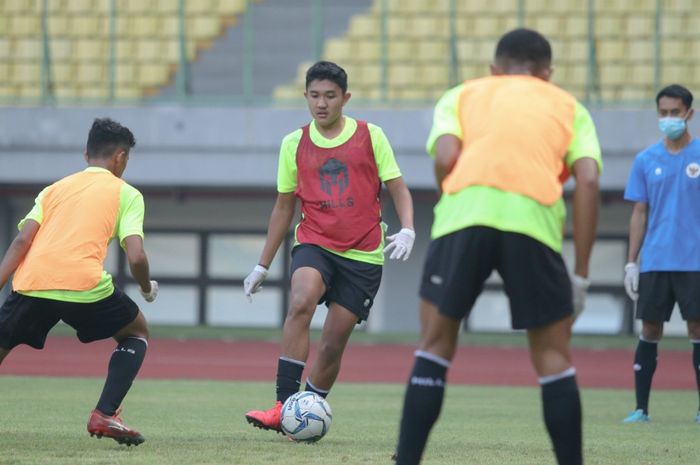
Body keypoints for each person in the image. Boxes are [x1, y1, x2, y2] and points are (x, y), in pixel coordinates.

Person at [393, 28, 602, 465]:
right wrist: (580, 273)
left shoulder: (463, 94)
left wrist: (456, 200)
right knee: (552, 357)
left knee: (435, 345)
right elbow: (588, 180)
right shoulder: (568, 106)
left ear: (494, 69)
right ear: (547, 73)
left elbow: (446, 157)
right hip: (533, 223)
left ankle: (408, 460)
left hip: (463, 219)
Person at [243, 60, 415, 434]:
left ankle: (302, 416)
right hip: (314, 242)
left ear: (345, 98)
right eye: (315, 96)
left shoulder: (371, 136)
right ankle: (283, 406)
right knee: (301, 301)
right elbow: (284, 206)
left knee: (333, 343)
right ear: (305, 96)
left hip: (363, 254)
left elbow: (398, 186)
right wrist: (262, 265)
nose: (322, 103)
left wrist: (408, 230)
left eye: (330, 96)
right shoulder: (294, 143)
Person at [0, 118, 158, 446]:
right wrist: (145, 287)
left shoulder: (53, 190)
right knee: (136, 332)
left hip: (32, 281)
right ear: (121, 158)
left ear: (86, 154)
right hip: (84, 285)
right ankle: (104, 414)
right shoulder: (127, 194)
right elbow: (137, 258)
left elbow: (21, 242)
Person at [622, 84, 700, 424]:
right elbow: (639, 212)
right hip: (655, 260)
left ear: (689, 114)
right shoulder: (645, 159)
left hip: (695, 261)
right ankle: (641, 409)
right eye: (663, 112)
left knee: (697, 329)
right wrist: (630, 262)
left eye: (675, 112)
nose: (668, 118)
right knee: (650, 329)